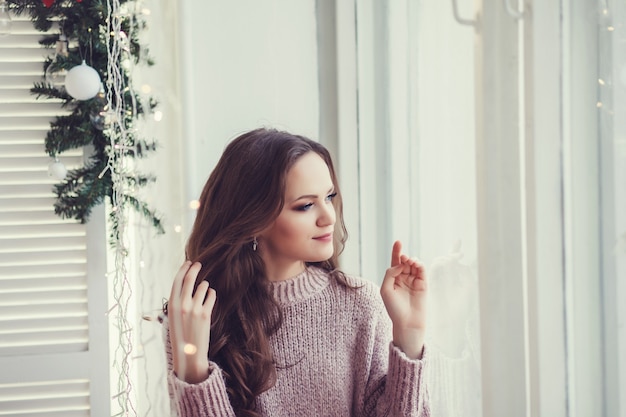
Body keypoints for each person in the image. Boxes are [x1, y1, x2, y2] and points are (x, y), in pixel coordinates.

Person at [164, 127, 430, 417]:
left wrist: (409, 336)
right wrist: (194, 374)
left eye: (329, 197)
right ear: (254, 219)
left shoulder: (360, 305)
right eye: (305, 206)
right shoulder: (199, 316)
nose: (328, 216)